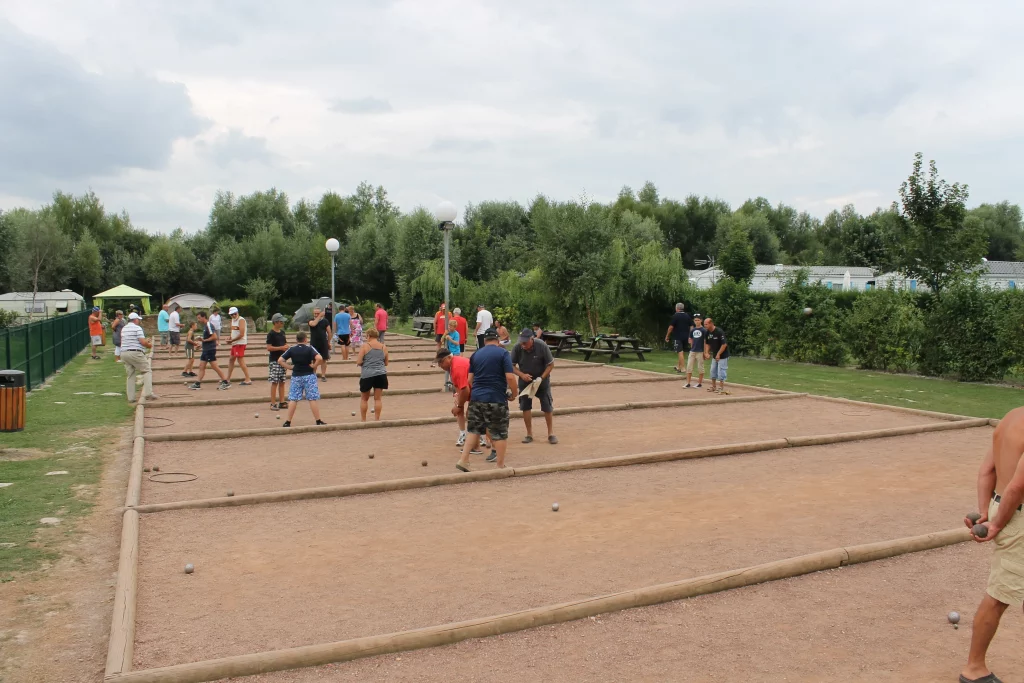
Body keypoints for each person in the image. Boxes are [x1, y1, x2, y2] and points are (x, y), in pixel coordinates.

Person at [959, 407, 1024, 683]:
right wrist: (996, 525)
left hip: (1005, 508)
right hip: (1018, 515)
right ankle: (974, 669)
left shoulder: (1013, 417)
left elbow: (988, 469)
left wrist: (985, 511)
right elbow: (1018, 486)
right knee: (1000, 594)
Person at [456, 328, 517, 472]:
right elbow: (510, 377)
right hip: (496, 398)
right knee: (500, 432)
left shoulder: (476, 354)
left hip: (477, 398)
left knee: (474, 430)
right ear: (497, 340)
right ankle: (500, 466)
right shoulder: (503, 353)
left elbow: (469, 380)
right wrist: (515, 393)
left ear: (484, 340)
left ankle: (464, 460)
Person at [511, 328, 557, 444]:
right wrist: (522, 375)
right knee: (525, 406)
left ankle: (551, 433)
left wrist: (541, 378)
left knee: (547, 405)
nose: (523, 345)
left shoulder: (541, 346)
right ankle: (529, 434)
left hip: (542, 380)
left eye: (525, 342)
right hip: (525, 381)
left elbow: (550, 365)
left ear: (532, 339)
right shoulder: (517, 348)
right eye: (521, 342)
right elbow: (511, 366)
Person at [278, 331, 326, 427]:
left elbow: (280, 360)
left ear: (296, 340)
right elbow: (319, 358)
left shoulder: (292, 349)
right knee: (312, 398)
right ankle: (318, 420)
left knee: (294, 399)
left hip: (296, 375)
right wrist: (314, 366)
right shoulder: (309, 348)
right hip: (309, 375)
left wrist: (289, 367)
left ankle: (288, 421)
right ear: (305, 339)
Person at [435, 349, 479, 452]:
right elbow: (462, 388)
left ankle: (478, 444)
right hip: (475, 389)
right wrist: (458, 400)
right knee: (470, 413)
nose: (440, 365)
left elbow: (465, 389)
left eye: (441, 362)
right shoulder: (453, 366)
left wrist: (459, 405)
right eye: (438, 362)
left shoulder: (457, 366)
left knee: (471, 414)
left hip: (480, 390)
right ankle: (471, 439)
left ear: (449, 358)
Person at [119, 312, 157, 403]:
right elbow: (143, 343)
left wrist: (145, 342)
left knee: (130, 375)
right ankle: (148, 393)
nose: (139, 321)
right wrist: (149, 345)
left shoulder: (124, 328)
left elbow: (135, 341)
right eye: (138, 319)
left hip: (124, 353)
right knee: (147, 370)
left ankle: (131, 398)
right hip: (135, 353)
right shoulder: (137, 328)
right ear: (135, 320)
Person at [188, 310, 230, 390]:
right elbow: (207, 338)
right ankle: (198, 383)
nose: (198, 320)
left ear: (204, 317)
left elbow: (214, 337)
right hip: (206, 349)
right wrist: (201, 345)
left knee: (214, 366)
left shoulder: (208, 325)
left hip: (210, 349)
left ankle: (225, 381)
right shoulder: (205, 326)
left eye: (199, 318)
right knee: (201, 366)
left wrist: (204, 341)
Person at [356, 327, 389, 421]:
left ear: (369, 336)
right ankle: (377, 419)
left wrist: (364, 363)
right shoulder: (384, 347)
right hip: (381, 374)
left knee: (364, 399)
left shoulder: (365, 346)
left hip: (367, 374)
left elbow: (359, 361)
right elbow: (386, 363)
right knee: (378, 399)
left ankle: (363, 420)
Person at [266, 313, 290, 411]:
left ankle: (282, 401)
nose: (282, 323)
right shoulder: (271, 334)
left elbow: (285, 343)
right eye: (281, 322)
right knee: (274, 382)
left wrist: (286, 348)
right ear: (276, 322)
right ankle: (272, 403)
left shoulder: (282, 332)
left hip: (282, 360)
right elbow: (269, 347)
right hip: (274, 361)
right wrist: (281, 348)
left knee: (282, 381)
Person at [226, 307, 253, 385]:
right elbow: (233, 331)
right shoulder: (232, 321)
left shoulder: (241, 320)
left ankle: (248, 379)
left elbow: (241, 334)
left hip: (240, 343)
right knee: (231, 359)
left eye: (235, 314)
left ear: (237, 313)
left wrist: (231, 340)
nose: (234, 315)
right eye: (232, 314)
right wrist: (230, 337)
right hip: (235, 343)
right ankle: (227, 378)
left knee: (240, 360)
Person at [665, 303, 694, 374]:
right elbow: (691, 326)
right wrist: (690, 336)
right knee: (681, 351)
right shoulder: (687, 316)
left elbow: (671, 327)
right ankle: (678, 366)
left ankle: (683, 368)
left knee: (680, 352)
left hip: (678, 337)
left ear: (677, 308)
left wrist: (667, 336)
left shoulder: (675, 316)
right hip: (686, 336)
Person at [703, 317, 729, 394]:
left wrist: (718, 354)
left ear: (711, 323)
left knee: (721, 371)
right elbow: (707, 343)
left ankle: (721, 387)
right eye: (704, 324)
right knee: (712, 371)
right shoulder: (707, 332)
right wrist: (706, 352)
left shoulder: (719, 332)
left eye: (706, 324)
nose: (705, 326)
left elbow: (724, 344)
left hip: (723, 355)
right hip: (715, 355)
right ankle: (713, 387)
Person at [307, 307, 331, 380]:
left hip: (323, 342)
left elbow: (329, 332)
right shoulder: (310, 320)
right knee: (314, 359)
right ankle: (313, 374)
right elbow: (313, 324)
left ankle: (323, 375)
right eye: (315, 313)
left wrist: (328, 342)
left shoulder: (325, 321)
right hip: (314, 342)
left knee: (324, 359)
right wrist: (319, 316)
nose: (316, 315)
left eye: (318, 313)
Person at [684, 315, 706, 389]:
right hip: (693, 351)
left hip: (700, 351)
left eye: (698, 320)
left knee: (700, 367)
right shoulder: (693, 330)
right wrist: (692, 346)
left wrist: (705, 352)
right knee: (689, 367)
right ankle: (688, 383)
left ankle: (699, 383)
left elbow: (705, 342)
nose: (696, 322)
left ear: (701, 320)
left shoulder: (704, 330)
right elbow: (690, 339)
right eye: (695, 320)